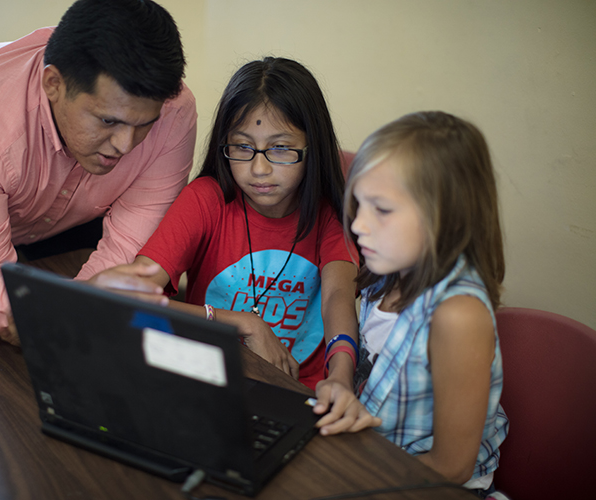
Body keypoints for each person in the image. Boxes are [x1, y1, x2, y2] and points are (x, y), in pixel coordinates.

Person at [0, 0, 197, 343]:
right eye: (108, 121)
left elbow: (132, 250)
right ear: (53, 84)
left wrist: (78, 306)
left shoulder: (173, 113)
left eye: (143, 125)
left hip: (64, 197)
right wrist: (75, 307)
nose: (125, 145)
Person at [127, 56, 365, 395]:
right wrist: (245, 323)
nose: (258, 169)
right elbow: (134, 297)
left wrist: (340, 378)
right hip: (203, 380)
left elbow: (337, 298)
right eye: (242, 146)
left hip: (298, 392)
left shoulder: (329, 215)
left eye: (280, 148)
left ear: (312, 148)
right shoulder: (205, 200)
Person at [315, 111, 509, 495]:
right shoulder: (385, 275)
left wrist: (340, 476)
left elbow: (451, 468)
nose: (357, 225)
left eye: (382, 210)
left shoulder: (458, 316)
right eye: (358, 204)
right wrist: (343, 389)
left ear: (446, 216)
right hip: (372, 460)